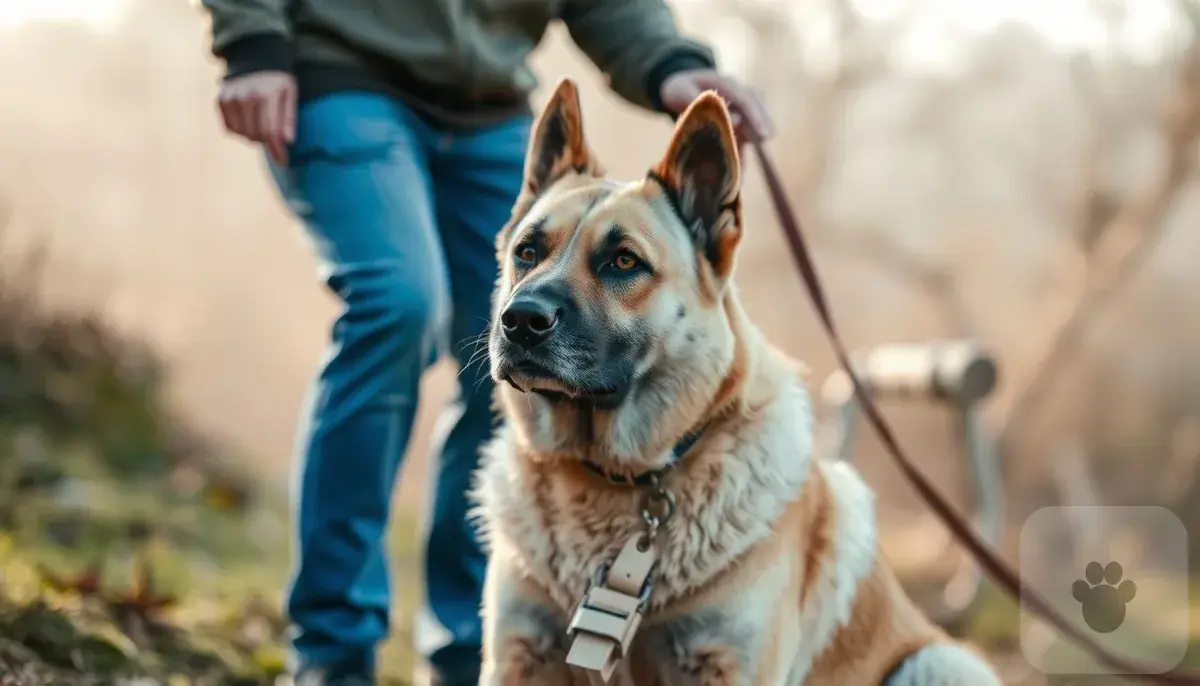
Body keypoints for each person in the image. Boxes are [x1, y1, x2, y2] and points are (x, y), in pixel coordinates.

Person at [197, 1, 774, 684]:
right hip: (340, 72)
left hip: (487, 103)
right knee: (396, 305)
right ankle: (331, 652)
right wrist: (253, 39)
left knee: (510, 357)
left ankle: (467, 652)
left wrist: (669, 62)